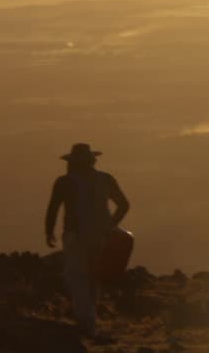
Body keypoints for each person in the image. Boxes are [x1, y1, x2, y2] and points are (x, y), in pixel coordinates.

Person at [45, 143, 130, 342]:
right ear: (92, 161)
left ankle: (86, 324)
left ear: (73, 163)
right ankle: (90, 320)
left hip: (76, 236)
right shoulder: (106, 179)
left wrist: (49, 232)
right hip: (102, 236)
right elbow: (124, 205)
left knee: (77, 277)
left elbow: (53, 209)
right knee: (93, 278)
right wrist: (110, 226)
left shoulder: (64, 182)